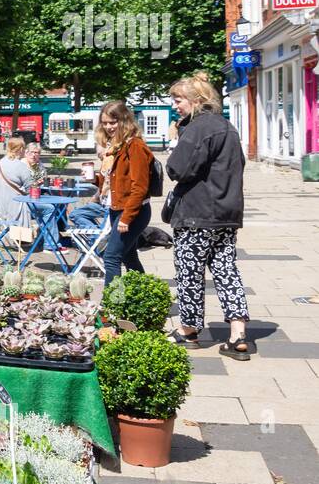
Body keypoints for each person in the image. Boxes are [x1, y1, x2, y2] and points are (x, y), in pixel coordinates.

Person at [165, 73, 252, 359]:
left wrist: (178, 140)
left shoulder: (198, 128)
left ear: (196, 100)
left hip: (196, 214)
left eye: (178, 100)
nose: (175, 106)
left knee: (190, 273)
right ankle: (238, 334)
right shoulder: (227, 127)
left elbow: (177, 169)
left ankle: (189, 329)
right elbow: (239, 164)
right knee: (227, 270)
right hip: (226, 214)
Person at [97, 101, 153, 286]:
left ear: (124, 121)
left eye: (113, 122)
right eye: (105, 123)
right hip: (117, 208)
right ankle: (144, 296)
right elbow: (115, 182)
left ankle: (111, 305)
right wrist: (94, 180)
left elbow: (140, 187)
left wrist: (126, 218)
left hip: (132, 211)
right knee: (128, 257)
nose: (108, 127)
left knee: (111, 257)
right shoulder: (116, 146)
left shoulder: (134, 146)